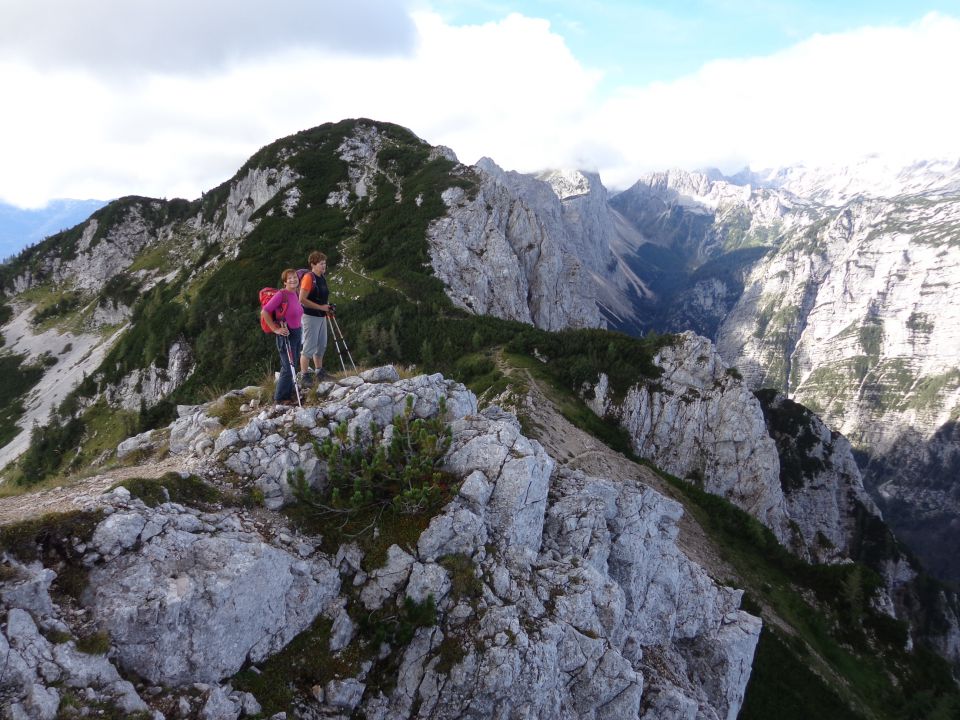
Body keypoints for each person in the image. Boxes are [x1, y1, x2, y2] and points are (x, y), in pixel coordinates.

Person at [261, 269, 304, 405]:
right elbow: (265, 311)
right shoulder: (281, 295)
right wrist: (276, 329)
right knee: (287, 367)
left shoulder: (296, 293)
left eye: (295, 277)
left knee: (293, 364)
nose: (293, 280)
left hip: (297, 332)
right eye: (289, 278)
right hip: (286, 334)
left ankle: (289, 393)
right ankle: (280, 399)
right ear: (285, 282)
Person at [298, 250, 333, 383]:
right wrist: (321, 308)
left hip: (321, 316)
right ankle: (304, 376)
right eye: (321, 264)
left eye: (325, 263)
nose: (324, 266)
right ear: (313, 264)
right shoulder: (309, 278)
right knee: (309, 346)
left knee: (321, 345)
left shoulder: (322, 277)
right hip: (310, 316)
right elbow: (302, 299)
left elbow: (322, 297)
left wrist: (328, 307)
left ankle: (319, 372)